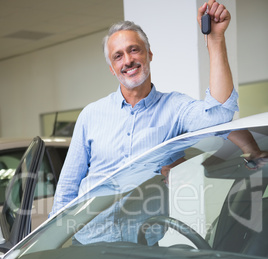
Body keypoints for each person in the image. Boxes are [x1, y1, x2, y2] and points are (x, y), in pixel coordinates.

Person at [50, 1, 239, 217]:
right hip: (89, 241)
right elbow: (67, 187)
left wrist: (215, 40)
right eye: (118, 56)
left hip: (143, 243)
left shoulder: (175, 108)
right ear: (112, 69)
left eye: (134, 50)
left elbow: (220, 115)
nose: (128, 60)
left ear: (149, 54)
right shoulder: (91, 115)